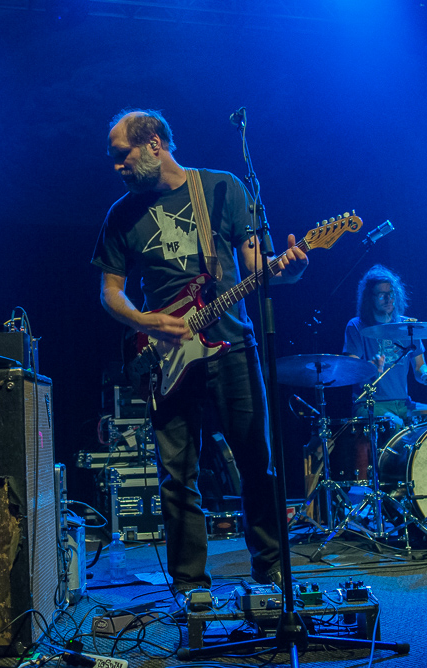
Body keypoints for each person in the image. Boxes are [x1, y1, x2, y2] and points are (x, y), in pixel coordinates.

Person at [91, 109, 308, 607]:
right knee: (177, 475)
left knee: (257, 463)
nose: (117, 167)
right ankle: (190, 586)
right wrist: (146, 322)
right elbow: (110, 293)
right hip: (165, 355)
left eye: (121, 156)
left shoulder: (221, 189)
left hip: (232, 345)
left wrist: (291, 270)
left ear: (154, 144)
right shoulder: (121, 215)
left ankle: (271, 573)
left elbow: (257, 266)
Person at [343, 264, 427, 428]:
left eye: (392, 294)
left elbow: (420, 366)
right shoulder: (357, 326)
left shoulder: (408, 326)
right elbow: (349, 370)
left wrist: (426, 375)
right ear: (370, 298)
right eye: (382, 295)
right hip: (370, 405)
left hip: (404, 403)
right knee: (397, 428)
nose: (389, 299)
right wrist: (369, 367)